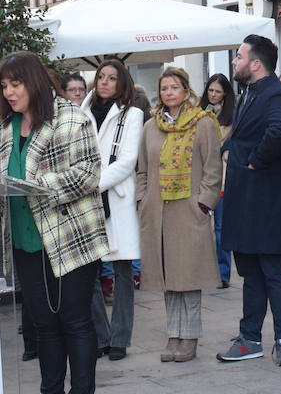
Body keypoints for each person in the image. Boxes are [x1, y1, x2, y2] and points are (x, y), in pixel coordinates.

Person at [0, 51, 107, 394]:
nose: (8, 93)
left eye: (15, 84)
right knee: (44, 327)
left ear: (34, 82)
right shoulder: (4, 129)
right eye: (4, 86)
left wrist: (38, 183)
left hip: (70, 235)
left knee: (74, 322)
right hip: (25, 238)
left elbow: (89, 173)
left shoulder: (70, 117)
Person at [217, 35, 281, 366]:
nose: (235, 62)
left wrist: (254, 160)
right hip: (245, 202)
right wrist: (229, 148)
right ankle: (250, 337)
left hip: (266, 203)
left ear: (255, 63)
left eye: (239, 57)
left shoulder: (275, 95)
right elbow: (242, 134)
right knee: (250, 273)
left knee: (273, 273)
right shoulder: (248, 94)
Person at [137, 68, 223, 363]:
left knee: (189, 277)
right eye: (164, 88)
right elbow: (142, 170)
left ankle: (190, 337)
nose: (169, 92)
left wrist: (204, 203)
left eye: (174, 87)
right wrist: (142, 200)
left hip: (189, 209)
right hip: (158, 212)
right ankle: (173, 333)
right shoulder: (151, 126)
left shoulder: (203, 123)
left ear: (187, 91)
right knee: (167, 277)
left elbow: (213, 168)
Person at [82, 60, 143, 361]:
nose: (104, 82)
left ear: (122, 83)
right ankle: (100, 335)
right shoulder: (81, 112)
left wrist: (94, 183)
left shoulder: (132, 114)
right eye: (101, 77)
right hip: (87, 199)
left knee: (122, 272)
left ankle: (120, 337)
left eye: (111, 78)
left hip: (115, 198)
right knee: (89, 271)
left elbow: (127, 160)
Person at [203, 73, 236, 288]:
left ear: (225, 93)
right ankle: (205, 271)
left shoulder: (232, 116)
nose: (213, 95)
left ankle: (223, 273)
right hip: (202, 177)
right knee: (201, 227)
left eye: (218, 91)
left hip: (223, 177)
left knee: (221, 228)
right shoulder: (198, 114)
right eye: (211, 90)